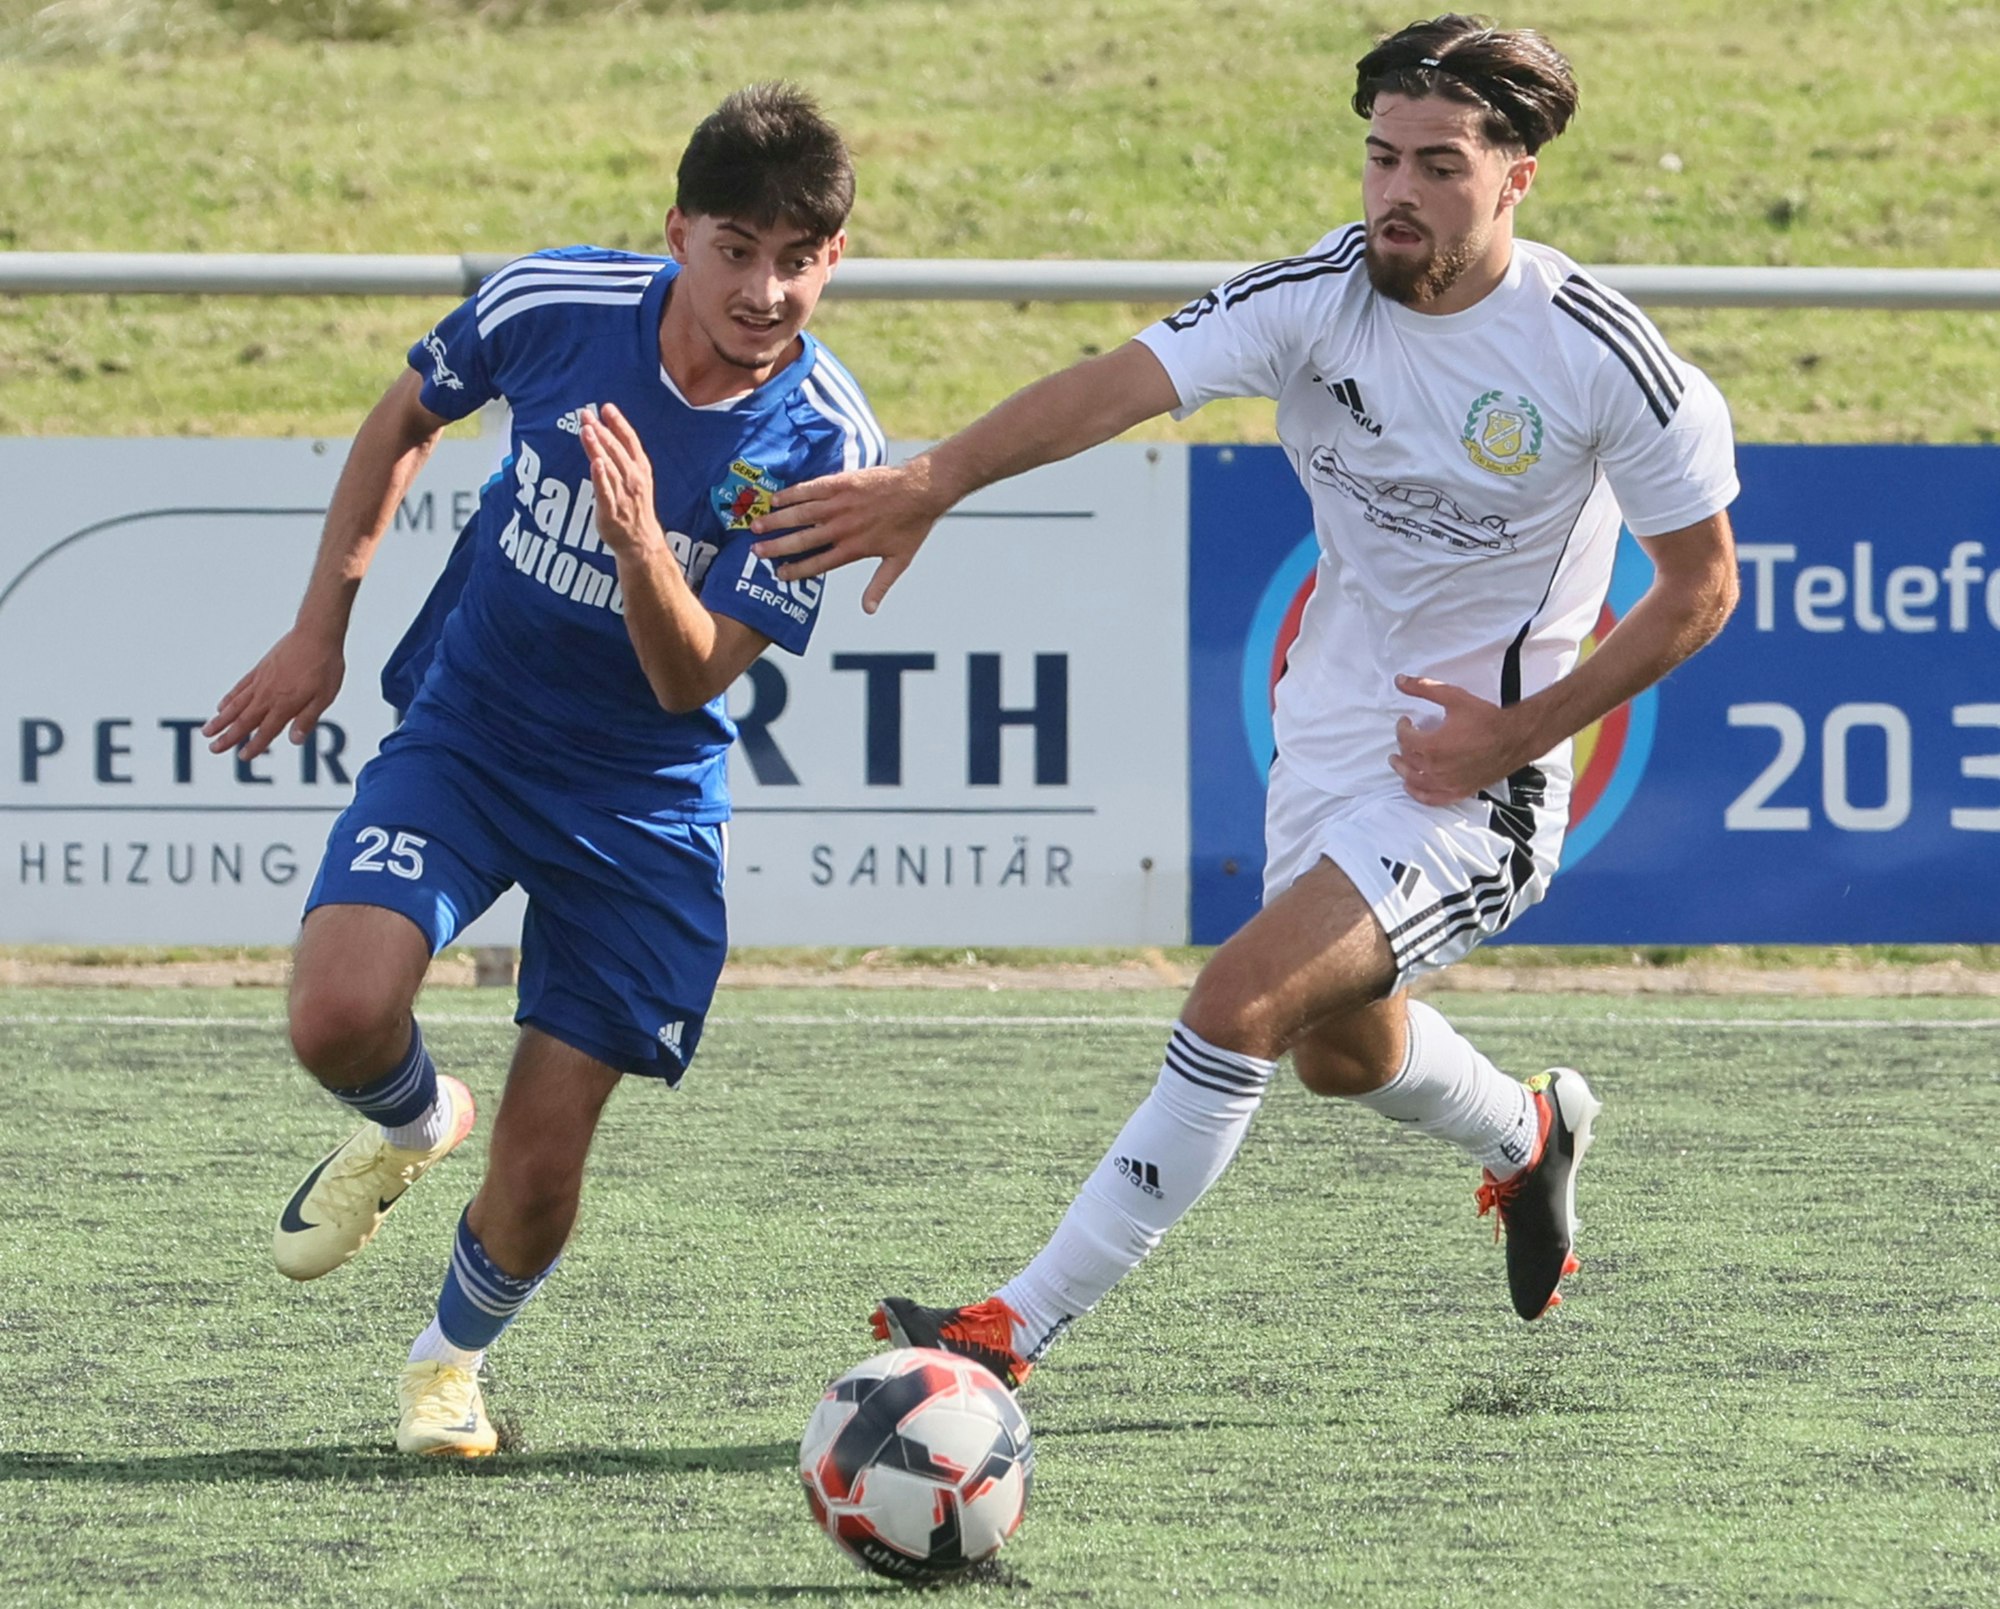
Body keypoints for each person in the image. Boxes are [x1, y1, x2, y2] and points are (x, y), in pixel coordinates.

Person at [750, 16, 1740, 1385]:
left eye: (1439, 166)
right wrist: (935, 478)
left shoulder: (1593, 352)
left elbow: (1702, 587)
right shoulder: (1311, 299)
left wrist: (1519, 733)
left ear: (1515, 179)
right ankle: (1527, 1133)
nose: (1398, 192)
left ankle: (1010, 1329)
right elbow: (1118, 387)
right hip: (1330, 731)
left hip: (1482, 775)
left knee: (1236, 1003)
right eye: (1382, 158)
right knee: (1343, 1053)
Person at [202, 83, 883, 1453]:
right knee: (336, 1014)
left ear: (835, 260)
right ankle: (409, 1117)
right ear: (679, 231)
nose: (764, 289)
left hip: (643, 805)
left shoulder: (820, 448)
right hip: (474, 732)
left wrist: (641, 541)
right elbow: (405, 418)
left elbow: (691, 674)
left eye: (797, 258)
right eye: (736, 248)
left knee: (544, 1157)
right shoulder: (557, 305)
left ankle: (446, 1364)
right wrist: (319, 628)